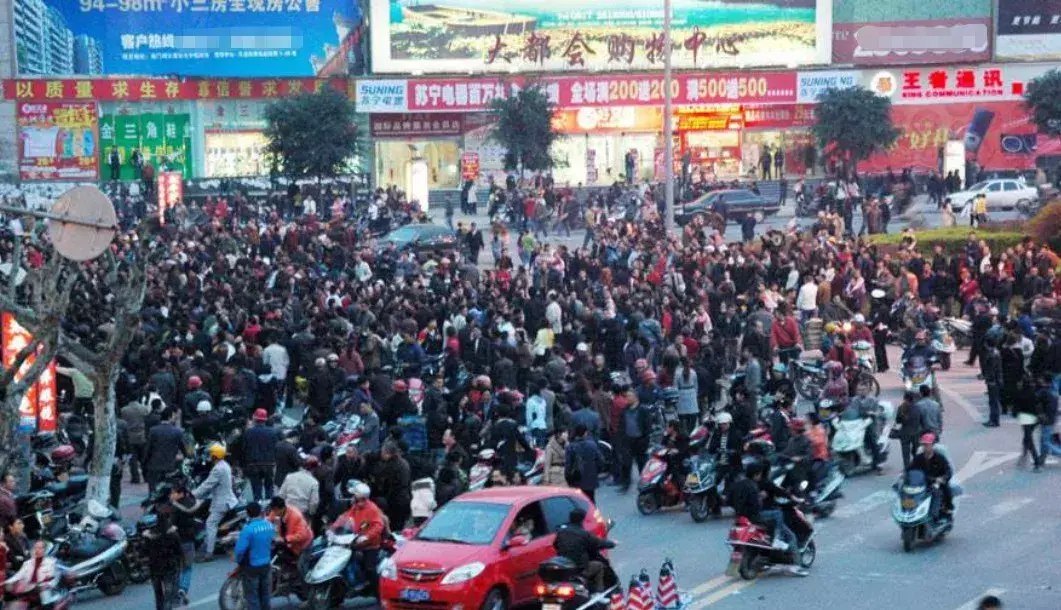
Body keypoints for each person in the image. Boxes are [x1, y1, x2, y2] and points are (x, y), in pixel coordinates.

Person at [728, 457, 800, 566]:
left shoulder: (737, 484)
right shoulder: (755, 486)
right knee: (779, 516)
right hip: (754, 517)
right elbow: (757, 505)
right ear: (757, 474)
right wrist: (760, 498)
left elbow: (728, 501)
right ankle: (779, 541)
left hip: (740, 517)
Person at [332, 482, 386, 586]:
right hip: (356, 541)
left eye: (354, 495)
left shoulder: (372, 509)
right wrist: (333, 527)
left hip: (370, 544)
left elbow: (378, 526)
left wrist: (367, 536)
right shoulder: (356, 506)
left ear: (361, 497)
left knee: (370, 569)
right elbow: (346, 516)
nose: (353, 497)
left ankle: (376, 590)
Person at [193, 443, 239, 562]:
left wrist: (192, 495)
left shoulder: (218, 469)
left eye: (211, 454)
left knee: (210, 524)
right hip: (226, 499)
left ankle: (208, 553)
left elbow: (207, 485)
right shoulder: (224, 465)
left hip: (222, 502)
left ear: (214, 456)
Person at [552, 507, 615, 592]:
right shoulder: (583, 534)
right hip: (579, 569)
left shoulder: (562, 532)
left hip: (565, 568)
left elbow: (555, 545)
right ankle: (599, 592)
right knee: (599, 566)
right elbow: (598, 543)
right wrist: (612, 544)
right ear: (581, 520)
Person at [234, 502, 275, 610]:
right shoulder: (269, 526)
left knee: (252, 596)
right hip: (266, 564)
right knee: (265, 594)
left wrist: (238, 561)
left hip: (252, 567)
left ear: (248, 514)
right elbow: (273, 541)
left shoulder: (247, 529)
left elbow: (240, 550)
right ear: (260, 512)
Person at [142, 505, 185, 610]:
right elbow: (179, 550)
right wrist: (181, 562)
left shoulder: (149, 537)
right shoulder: (172, 534)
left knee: (158, 594)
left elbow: (144, 552)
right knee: (168, 593)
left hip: (154, 568)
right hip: (170, 567)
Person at [906, 433, 954, 518]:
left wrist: (942, 478)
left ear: (932, 445)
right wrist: (904, 475)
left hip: (936, 483)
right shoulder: (918, 458)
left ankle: (944, 509)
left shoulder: (940, 458)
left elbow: (948, 471)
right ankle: (908, 511)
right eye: (924, 445)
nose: (926, 447)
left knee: (942, 490)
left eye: (928, 445)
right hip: (922, 483)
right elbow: (910, 469)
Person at [144, 409, 187, 494]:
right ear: (169, 417)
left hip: (154, 465)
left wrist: (145, 462)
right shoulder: (178, 432)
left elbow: (148, 449)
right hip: (171, 465)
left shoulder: (153, 430)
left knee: (153, 490)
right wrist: (187, 457)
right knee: (170, 489)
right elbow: (183, 448)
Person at [244, 408, 280, 502]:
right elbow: (276, 448)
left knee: (256, 489)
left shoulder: (248, 432)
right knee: (269, 487)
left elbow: (245, 448)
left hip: (253, 464)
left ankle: (258, 506)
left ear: (255, 419)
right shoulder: (272, 432)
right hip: (269, 464)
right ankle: (269, 506)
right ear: (265, 419)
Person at [565, 424, 603, 502]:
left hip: (576, 480)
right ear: (585, 433)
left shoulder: (570, 447)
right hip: (590, 478)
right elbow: (600, 460)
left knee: (579, 502)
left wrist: (568, 478)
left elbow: (568, 466)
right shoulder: (592, 445)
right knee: (591, 500)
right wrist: (596, 471)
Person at [267, 497, 313, 561]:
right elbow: (268, 521)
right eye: (273, 510)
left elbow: (302, 535)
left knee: (301, 564)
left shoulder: (296, 516)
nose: (274, 512)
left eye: (275, 510)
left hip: (304, 543)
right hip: (288, 539)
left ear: (282, 508)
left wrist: (285, 539)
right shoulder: (275, 511)